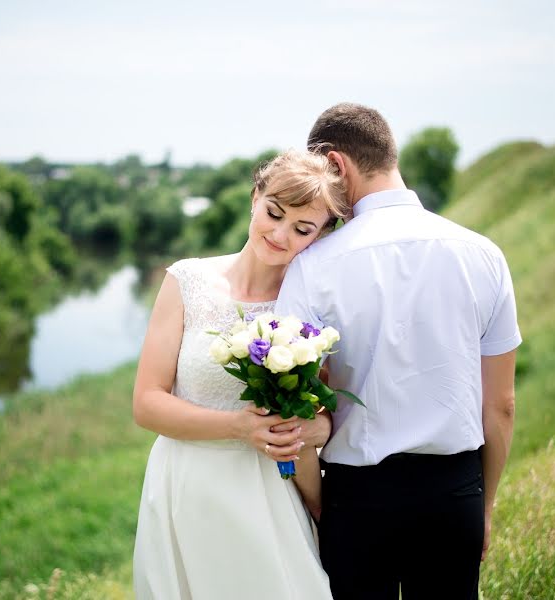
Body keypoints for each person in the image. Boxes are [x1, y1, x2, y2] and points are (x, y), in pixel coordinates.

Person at [276, 103, 521, 599]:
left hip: (356, 497)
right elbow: (501, 406)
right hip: (455, 494)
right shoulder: (484, 255)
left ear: (335, 163)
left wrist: (323, 507)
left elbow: (293, 411)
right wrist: (483, 507)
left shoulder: (314, 267)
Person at [132, 149, 348, 600]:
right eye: (274, 213)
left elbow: (328, 415)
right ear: (255, 198)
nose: (279, 233)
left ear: (321, 234)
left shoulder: (309, 308)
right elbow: (147, 402)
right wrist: (239, 426)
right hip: (186, 486)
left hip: (271, 493)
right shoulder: (187, 281)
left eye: (302, 229)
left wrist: (313, 428)